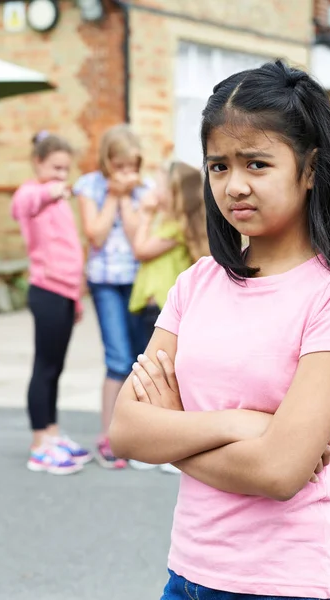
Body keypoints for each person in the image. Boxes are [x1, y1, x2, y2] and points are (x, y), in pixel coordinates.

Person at [109, 60, 330, 599]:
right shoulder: (198, 282)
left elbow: (280, 472)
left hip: (287, 581)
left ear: (310, 168)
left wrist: (173, 432)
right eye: (218, 167)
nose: (234, 186)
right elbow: (126, 430)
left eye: (257, 164)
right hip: (187, 574)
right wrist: (249, 424)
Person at [12, 131, 92, 475]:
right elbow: (25, 204)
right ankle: (38, 444)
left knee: (55, 368)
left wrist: (75, 298)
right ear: (38, 163)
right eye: (55, 168)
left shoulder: (58, 201)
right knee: (44, 367)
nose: (62, 175)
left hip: (64, 294)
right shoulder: (32, 195)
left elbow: (70, 249)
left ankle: (53, 434)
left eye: (65, 170)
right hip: (45, 290)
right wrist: (50, 191)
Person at [126, 161, 209, 472]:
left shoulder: (175, 229)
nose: (153, 192)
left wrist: (145, 214)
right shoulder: (170, 225)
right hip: (149, 308)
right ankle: (152, 442)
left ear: (175, 194)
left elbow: (141, 248)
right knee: (150, 374)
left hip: (163, 313)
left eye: (159, 187)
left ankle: (165, 443)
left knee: (161, 377)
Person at [73, 124, 148, 469]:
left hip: (137, 282)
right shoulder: (90, 187)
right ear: (107, 162)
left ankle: (138, 434)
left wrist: (132, 199)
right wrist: (116, 196)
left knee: (138, 360)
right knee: (117, 359)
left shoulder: (144, 190)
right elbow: (96, 235)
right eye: (120, 167)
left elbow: (138, 240)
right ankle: (108, 435)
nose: (127, 174)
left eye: (132, 167)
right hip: (105, 282)